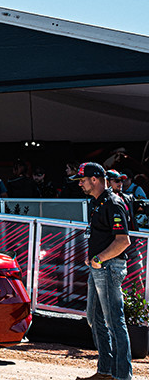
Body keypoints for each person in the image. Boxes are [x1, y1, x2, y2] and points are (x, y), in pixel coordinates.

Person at [69, 162, 134, 380]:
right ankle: (106, 371)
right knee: (94, 317)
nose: (80, 184)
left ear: (94, 179)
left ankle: (122, 376)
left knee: (115, 321)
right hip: (99, 268)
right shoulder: (97, 202)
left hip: (108, 268)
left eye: (82, 180)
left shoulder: (113, 203)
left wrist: (98, 258)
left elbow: (123, 241)